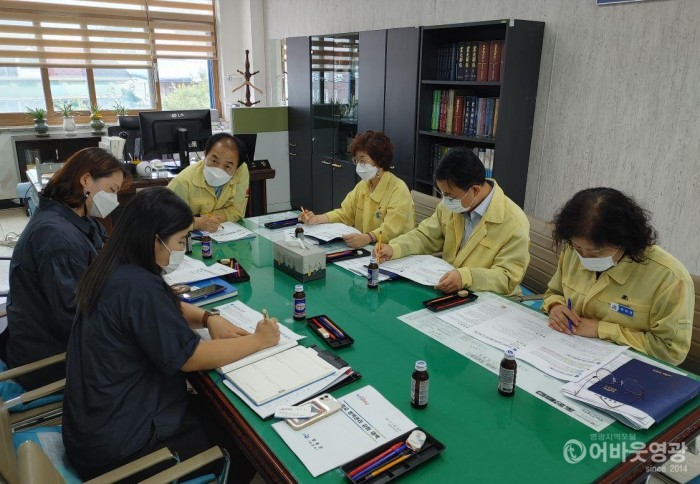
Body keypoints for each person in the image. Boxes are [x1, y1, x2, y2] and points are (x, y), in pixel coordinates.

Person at [62, 187, 280, 481]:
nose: (182, 248)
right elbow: (191, 357)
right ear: (155, 240)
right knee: (247, 443)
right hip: (125, 449)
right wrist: (259, 340)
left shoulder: (115, 264)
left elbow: (167, 305)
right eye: (179, 241)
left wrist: (207, 317)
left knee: (217, 413)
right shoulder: (139, 287)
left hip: (95, 427)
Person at [4, 147, 128, 390]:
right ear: (85, 180)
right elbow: (75, 318)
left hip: (51, 335)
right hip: (49, 359)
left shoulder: (76, 219)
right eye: (112, 191)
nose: (114, 201)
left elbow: (101, 261)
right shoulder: (58, 238)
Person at [544, 188, 694, 366]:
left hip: (629, 370)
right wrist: (555, 306)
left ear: (624, 241)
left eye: (596, 252)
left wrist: (601, 329)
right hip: (569, 355)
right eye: (578, 249)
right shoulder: (572, 251)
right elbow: (553, 292)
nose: (584, 258)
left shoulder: (669, 277)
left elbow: (670, 351)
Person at [375, 147, 530, 295]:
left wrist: (466, 277)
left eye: (450, 195)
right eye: (442, 193)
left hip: (490, 300)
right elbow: (425, 236)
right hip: (450, 290)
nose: (445, 200)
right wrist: (395, 248)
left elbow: (506, 278)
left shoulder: (514, 222)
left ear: (474, 190)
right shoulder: (454, 205)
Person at [300, 131, 415, 248]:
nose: (359, 165)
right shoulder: (364, 185)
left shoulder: (398, 190)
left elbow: (391, 229)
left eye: (363, 160)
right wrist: (316, 219)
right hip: (368, 248)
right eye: (357, 160)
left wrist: (368, 237)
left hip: (393, 252)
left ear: (379, 161)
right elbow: (345, 213)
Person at [168, 132, 250, 232]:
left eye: (227, 166)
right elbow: (170, 221)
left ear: (236, 168)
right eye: (214, 161)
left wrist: (204, 219)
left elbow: (237, 212)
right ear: (205, 154)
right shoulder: (181, 182)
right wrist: (197, 223)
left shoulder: (241, 170)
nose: (219, 170)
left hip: (223, 234)